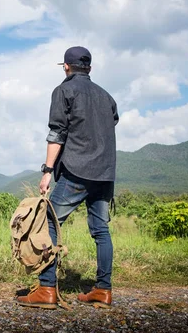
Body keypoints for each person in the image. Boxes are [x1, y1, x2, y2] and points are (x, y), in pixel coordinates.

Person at [16, 46, 118, 309]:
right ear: (90, 69)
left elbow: (57, 132)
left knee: (49, 222)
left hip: (77, 170)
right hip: (105, 173)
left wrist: (48, 171)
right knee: (100, 231)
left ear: (66, 67)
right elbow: (112, 121)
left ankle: (47, 289)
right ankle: (103, 291)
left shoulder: (64, 91)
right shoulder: (107, 96)